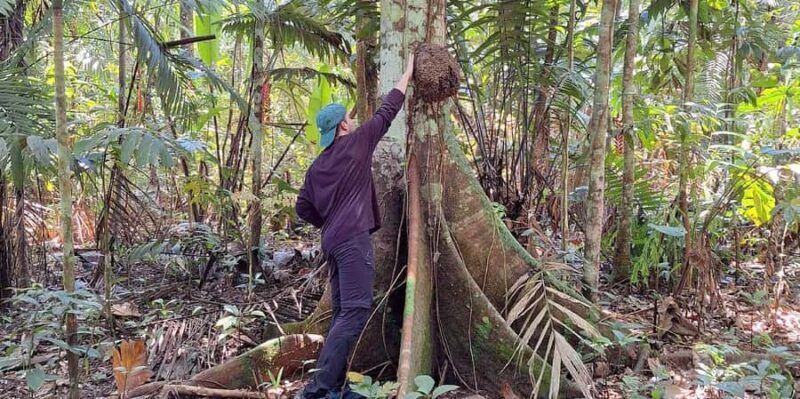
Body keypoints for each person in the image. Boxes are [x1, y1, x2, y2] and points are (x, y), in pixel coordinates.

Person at [294, 55, 414, 399]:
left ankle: (330, 385)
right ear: (343, 127)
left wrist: (329, 220)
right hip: (351, 241)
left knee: (343, 313)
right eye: (348, 117)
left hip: (332, 240)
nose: (352, 119)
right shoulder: (356, 144)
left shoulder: (317, 166)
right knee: (357, 309)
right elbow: (386, 112)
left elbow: (302, 206)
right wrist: (405, 74)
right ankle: (317, 390)